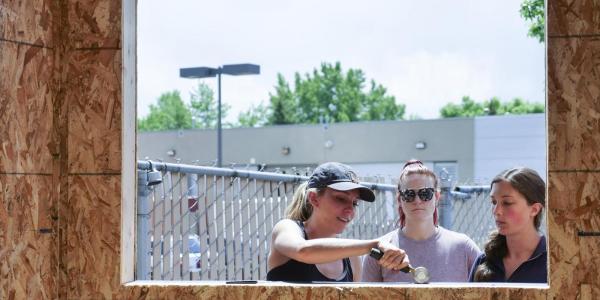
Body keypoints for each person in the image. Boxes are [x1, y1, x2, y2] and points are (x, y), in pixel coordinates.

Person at [266, 162, 410, 282]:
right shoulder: (287, 227)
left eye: (355, 203)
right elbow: (303, 251)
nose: (350, 210)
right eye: (341, 199)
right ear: (314, 198)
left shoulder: (352, 259)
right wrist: (375, 245)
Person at [362, 159, 481, 282]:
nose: (417, 201)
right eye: (409, 194)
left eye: (425, 193)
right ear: (399, 199)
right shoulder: (382, 250)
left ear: (437, 197)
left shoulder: (464, 247)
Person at [469, 167, 547, 283]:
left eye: (507, 203)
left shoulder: (553, 262)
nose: (496, 211)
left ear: (534, 209)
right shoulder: (484, 260)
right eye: (494, 202)